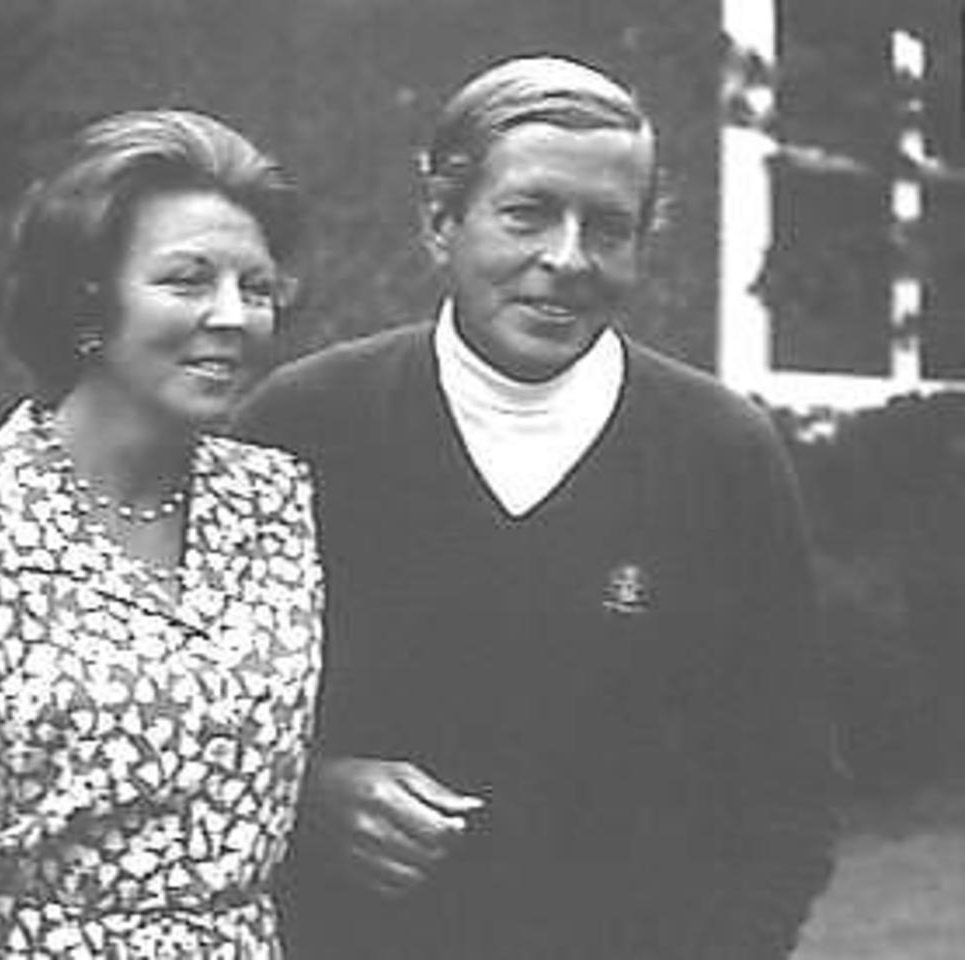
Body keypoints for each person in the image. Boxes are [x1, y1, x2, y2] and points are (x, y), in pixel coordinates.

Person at [236, 55, 838, 959]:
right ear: (441, 221)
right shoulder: (302, 429)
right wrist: (309, 795)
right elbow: (201, 737)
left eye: (608, 226)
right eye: (527, 213)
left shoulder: (721, 455)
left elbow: (787, 789)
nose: (566, 258)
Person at [0, 109, 322, 958]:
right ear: (87, 300)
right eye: (187, 280)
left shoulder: (276, 500)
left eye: (257, 288)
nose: (232, 316)